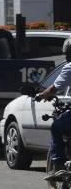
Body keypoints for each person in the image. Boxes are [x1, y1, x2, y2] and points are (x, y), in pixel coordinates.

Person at [39, 38, 71, 181]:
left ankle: (58, 165)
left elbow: (54, 88)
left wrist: (42, 95)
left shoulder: (69, 67)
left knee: (55, 127)